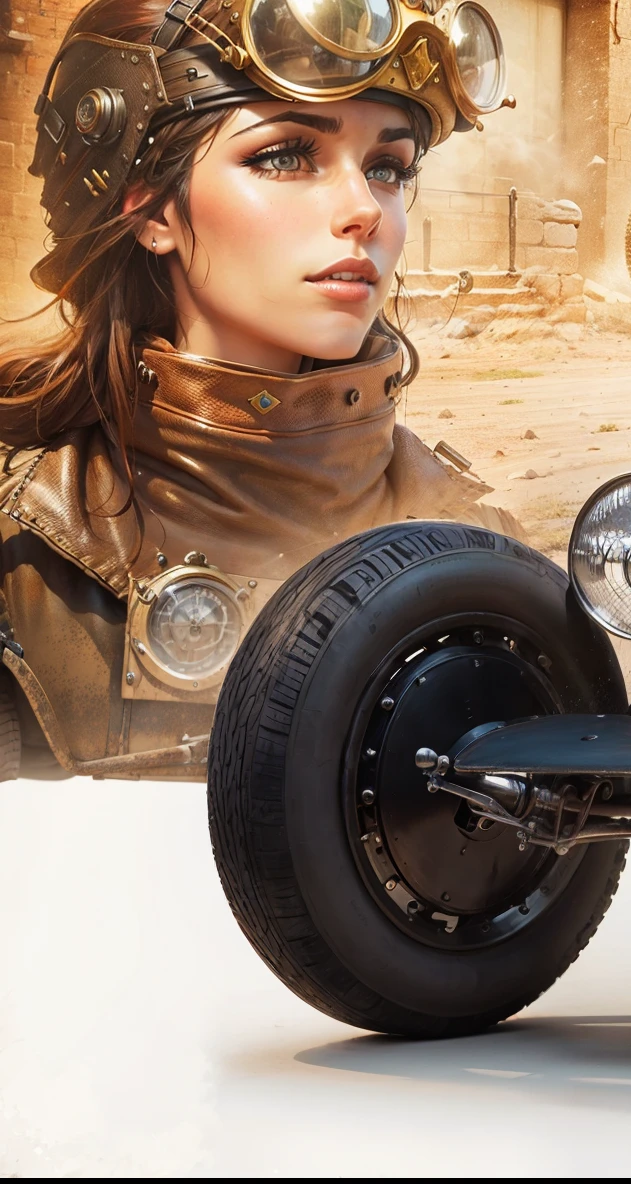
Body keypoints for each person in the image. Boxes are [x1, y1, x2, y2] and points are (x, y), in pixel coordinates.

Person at [0, 0, 521, 780]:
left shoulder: (481, 553)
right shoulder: (21, 556)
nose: (362, 212)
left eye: (388, 167)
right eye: (286, 156)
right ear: (148, 205)